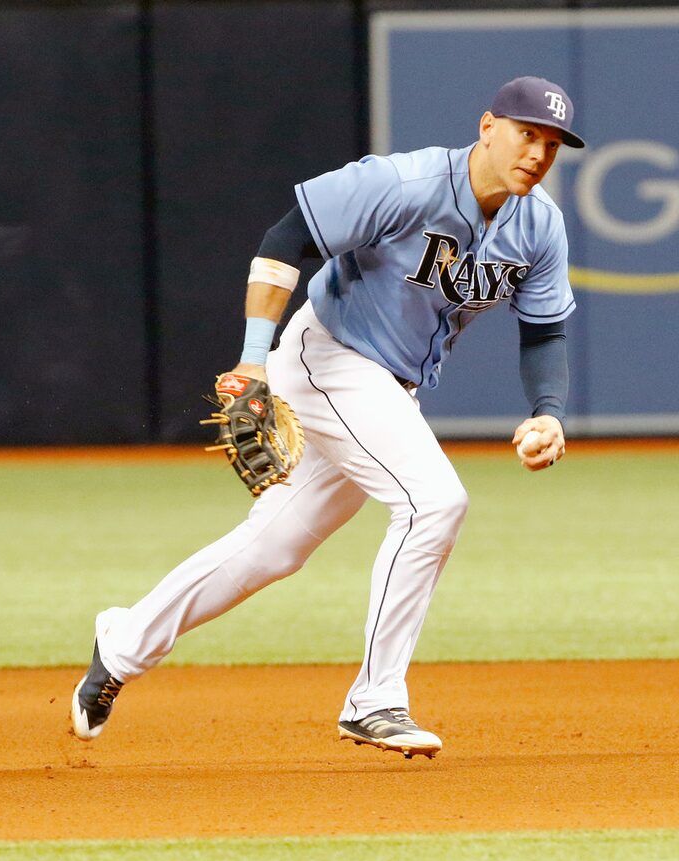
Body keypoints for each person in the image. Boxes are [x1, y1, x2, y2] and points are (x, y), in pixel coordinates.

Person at [71, 75, 585, 759]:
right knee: (434, 502)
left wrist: (546, 411)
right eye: (528, 134)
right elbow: (287, 235)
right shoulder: (406, 183)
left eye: (553, 144)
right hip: (328, 357)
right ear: (488, 126)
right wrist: (253, 361)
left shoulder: (540, 224)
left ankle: (123, 641)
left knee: (274, 545)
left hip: (389, 386)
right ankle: (376, 699)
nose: (538, 153)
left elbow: (544, 331)